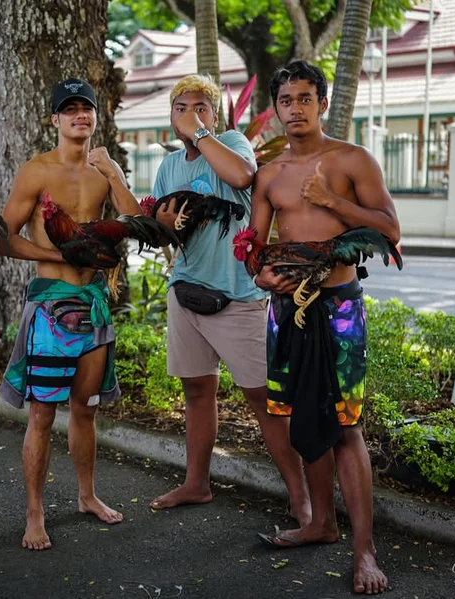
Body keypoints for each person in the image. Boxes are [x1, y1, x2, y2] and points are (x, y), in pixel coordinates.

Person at [249, 60, 400, 595]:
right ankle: (319, 523)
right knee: (298, 414)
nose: (295, 109)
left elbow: (390, 228)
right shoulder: (268, 175)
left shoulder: (352, 159)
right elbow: (253, 248)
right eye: (286, 100)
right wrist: (261, 275)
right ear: (276, 108)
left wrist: (331, 201)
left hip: (338, 308)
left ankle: (364, 551)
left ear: (323, 103)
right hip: (286, 309)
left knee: (345, 426)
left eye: (305, 99)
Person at [147, 74, 310, 524]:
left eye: (201, 107)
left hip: (238, 297)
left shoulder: (233, 143)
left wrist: (200, 132)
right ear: (170, 117)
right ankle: (196, 483)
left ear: (215, 117)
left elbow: (241, 176)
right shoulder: (169, 166)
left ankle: (301, 497)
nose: (190, 115)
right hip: (187, 293)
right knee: (197, 391)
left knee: (262, 399)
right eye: (181, 108)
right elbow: (163, 231)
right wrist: (165, 224)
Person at [0, 78, 140, 551]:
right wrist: (58, 255)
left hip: (93, 305)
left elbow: (135, 222)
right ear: (55, 119)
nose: (80, 114)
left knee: (86, 409)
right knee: (42, 414)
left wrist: (114, 174)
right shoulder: (37, 170)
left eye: (87, 108)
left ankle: (86, 496)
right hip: (51, 307)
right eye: (70, 108)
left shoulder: (103, 171)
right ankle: (34, 512)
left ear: (96, 116)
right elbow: (3, 237)